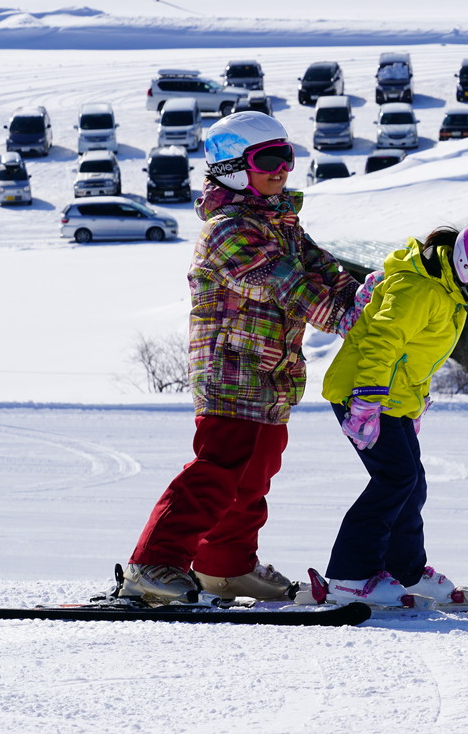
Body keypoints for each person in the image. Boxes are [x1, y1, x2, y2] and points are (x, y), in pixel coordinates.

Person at [120, 111, 358, 603]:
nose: (283, 168)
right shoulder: (228, 231)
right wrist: (343, 316)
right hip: (231, 370)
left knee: (254, 475)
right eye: (268, 159)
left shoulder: (282, 223)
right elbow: (289, 285)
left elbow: (328, 272)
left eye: (287, 156)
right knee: (217, 471)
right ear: (231, 167)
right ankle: (152, 563)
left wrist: (371, 301)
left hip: (272, 373)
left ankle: (224, 566)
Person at [317, 208, 468, 606]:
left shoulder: (450, 293)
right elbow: (381, 343)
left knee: (411, 483)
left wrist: (415, 403)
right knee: (394, 480)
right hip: (365, 395)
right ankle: (350, 577)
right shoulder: (420, 290)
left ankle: (405, 571)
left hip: (394, 399)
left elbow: (416, 356)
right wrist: (366, 401)